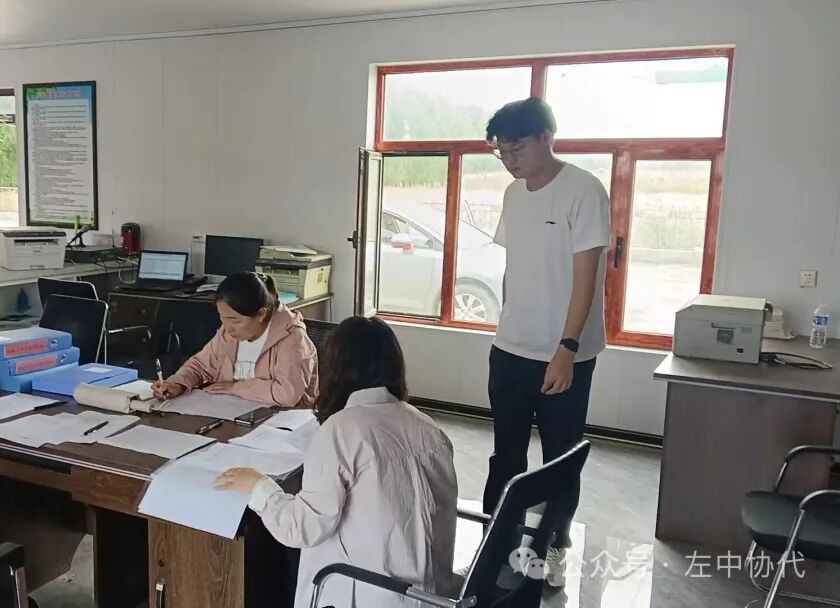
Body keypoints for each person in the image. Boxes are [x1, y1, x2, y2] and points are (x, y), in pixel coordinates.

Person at [214, 316, 458, 608]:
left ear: (336, 369)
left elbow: (302, 528)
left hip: (373, 593)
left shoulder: (342, 430)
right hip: (433, 595)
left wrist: (259, 487)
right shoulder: (428, 427)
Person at [481, 97, 610, 587]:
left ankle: (553, 546)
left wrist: (566, 349)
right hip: (510, 348)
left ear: (546, 138)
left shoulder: (583, 190)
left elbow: (585, 279)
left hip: (564, 355)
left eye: (515, 148)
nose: (508, 159)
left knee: (559, 459)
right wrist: (506, 323)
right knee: (506, 454)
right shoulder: (514, 195)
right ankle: (498, 542)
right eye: (501, 150)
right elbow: (514, 267)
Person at [152, 272, 318, 408]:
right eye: (222, 317)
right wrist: (176, 384)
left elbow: (287, 394)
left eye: (234, 320)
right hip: (230, 413)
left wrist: (235, 387)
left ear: (261, 314)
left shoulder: (292, 338)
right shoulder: (229, 333)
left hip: (279, 422)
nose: (227, 327)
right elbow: (200, 366)